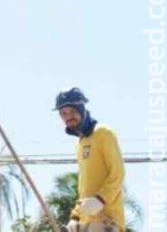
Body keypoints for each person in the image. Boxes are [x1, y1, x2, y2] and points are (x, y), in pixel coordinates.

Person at [55, 87, 125, 232]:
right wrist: (75, 216)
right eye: (63, 114)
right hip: (87, 224)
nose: (68, 117)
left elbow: (118, 173)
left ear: (81, 109)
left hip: (108, 221)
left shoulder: (103, 133)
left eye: (72, 111)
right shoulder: (81, 143)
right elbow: (85, 187)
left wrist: (100, 199)